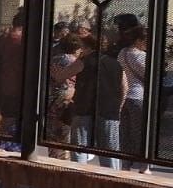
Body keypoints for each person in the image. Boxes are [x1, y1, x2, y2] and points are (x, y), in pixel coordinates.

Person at [70, 33, 126, 171]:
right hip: (109, 110)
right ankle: (112, 180)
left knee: (79, 146)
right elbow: (125, 86)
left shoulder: (83, 61)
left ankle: (78, 176)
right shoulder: (116, 64)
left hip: (84, 108)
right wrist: (119, 106)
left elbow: (62, 76)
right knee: (110, 149)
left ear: (87, 47)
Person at [0, 13, 25, 143]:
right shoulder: (20, 41)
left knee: (2, 113)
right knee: (10, 119)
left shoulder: (3, 39)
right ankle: (0, 144)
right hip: (16, 86)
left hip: (1, 84)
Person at [118, 25, 151, 172]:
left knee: (126, 132)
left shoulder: (122, 53)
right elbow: (149, 76)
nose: (147, 44)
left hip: (124, 97)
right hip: (139, 96)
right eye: (146, 41)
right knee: (140, 133)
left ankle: (125, 164)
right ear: (138, 40)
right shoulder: (141, 56)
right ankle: (144, 165)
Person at [45, 34, 82, 152]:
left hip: (52, 96)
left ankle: (53, 155)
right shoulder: (75, 62)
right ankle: (62, 156)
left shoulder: (55, 59)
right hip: (67, 97)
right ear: (76, 49)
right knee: (65, 131)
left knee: (52, 130)